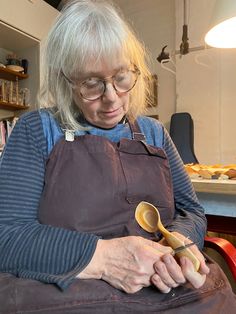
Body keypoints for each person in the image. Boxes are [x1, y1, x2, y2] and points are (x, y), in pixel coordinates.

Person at [0, 0, 235, 313]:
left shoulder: (153, 133)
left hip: (166, 288)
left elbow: (191, 209)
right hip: (71, 294)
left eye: (121, 77)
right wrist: (104, 259)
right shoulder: (37, 130)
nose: (111, 98)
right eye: (92, 83)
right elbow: (7, 236)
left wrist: (178, 243)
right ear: (66, 81)